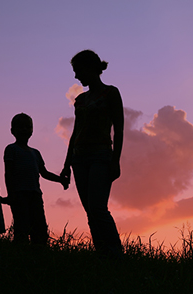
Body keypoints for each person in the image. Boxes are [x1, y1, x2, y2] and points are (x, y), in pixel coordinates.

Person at [61, 49, 124, 256]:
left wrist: (116, 161)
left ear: (91, 68)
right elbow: (75, 132)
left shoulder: (111, 93)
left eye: (78, 70)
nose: (76, 76)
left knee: (98, 208)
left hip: (101, 156)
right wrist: (66, 165)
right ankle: (102, 253)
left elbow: (119, 129)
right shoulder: (79, 100)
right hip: (79, 159)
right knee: (90, 211)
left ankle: (116, 253)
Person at [4, 113, 68, 245]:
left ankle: (39, 252)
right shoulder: (11, 149)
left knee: (39, 227)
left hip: (35, 194)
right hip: (19, 194)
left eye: (27, 127)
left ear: (32, 130)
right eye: (20, 127)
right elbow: (8, 174)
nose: (24, 130)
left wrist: (60, 180)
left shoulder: (36, 153)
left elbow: (44, 173)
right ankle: (20, 252)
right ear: (12, 131)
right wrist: (11, 194)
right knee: (21, 225)